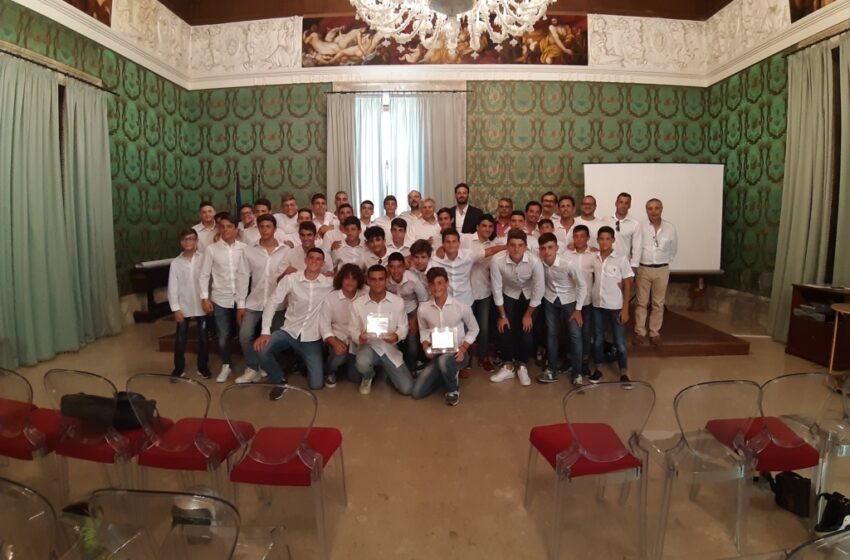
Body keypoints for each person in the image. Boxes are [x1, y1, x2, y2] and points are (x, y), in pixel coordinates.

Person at [255, 247, 334, 397]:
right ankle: (279, 379)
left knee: (316, 385)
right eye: (311, 258)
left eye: (318, 259)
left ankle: (300, 364)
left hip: (311, 337)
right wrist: (265, 331)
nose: (314, 261)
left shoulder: (328, 283)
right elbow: (272, 302)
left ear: (323, 263)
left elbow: (350, 285)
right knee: (261, 349)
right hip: (289, 331)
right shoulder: (291, 279)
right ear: (305, 260)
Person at [411, 267, 480, 406]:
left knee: (444, 361)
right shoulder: (423, 309)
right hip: (437, 353)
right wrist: (425, 346)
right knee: (417, 393)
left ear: (447, 284)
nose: (436, 288)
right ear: (428, 286)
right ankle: (445, 374)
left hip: (458, 353)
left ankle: (453, 389)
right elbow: (424, 331)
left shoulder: (461, 307)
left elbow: (474, 329)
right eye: (432, 284)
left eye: (440, 283)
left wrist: (463, 349)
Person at [234, 214, 289, 384]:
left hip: (277, 304)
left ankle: (268, 366)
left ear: (275, 229)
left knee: (275, 339)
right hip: (255, 301)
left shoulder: (286, 251)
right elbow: (243, 276)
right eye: (262, 226)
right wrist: (241, 305)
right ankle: (253, 367)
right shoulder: (249, 250)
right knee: (244, 335)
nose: (265, 230)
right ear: (258, 228)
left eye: (268, 226)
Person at [488, 229, 544, 387]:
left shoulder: (535, 261)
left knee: (526, 330)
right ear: (507, 246)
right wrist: (502, 316)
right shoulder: (497, 260)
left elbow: (538, 291)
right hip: (509, 293)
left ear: (525, 247)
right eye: (512, 245)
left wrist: (528, 315)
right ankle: (508, 366)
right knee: (505, 328)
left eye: (520, 245)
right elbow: (496, 289)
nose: (516, 249)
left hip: (530, 296)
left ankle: (522, 365)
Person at [350, 265, 414, 396]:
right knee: (362, 363)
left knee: (407, 389)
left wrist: (396, 336)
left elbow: (403, 327)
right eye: (373, 279)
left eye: (380, 279)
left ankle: (387, 371)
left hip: (389, 349)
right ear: (368, 281)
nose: (377, 283)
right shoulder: (357, 304)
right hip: (369, 347)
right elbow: (353, 329)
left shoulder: (397, 302)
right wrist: (360, 338)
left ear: (386, 280)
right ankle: (368, 376)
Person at [199, 214, 247, 383]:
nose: (225, 229)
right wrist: (205, 298)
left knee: (245, 334)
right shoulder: (211, 249)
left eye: (229, 226)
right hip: (220, 298)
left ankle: (252, 365)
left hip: (241, 299)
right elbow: (204, 275)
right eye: (222, 226)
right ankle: (226, 365)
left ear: (236, 230)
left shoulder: (245, 248)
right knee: (223, 335)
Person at [537, 233, 587, 386]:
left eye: (550, 247)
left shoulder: (568, 263)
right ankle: (552, 370)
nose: (547, 251)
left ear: (557, 248)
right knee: (552, 333)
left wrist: (578, 310)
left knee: (575, 335)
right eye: (543, 248)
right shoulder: (539, 263)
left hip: (570, 301)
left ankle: (577, 373)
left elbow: (582, 285)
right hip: (550, 299)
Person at [591, 226, 634, 384]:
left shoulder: (621, 259)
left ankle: (623, 373)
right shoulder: (594, 258)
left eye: (608, 239)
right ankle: (598, 369)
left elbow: (628, 283)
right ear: (597, 240)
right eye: (601, 239)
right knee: (598, 340)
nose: (604, 242)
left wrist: (625, 309)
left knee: (620, 342)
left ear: (613, 240)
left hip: (616, 307)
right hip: (598, 306)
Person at [461, 214, 504, 372]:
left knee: (483, 327)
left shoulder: (494, 244)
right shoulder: (465, 239)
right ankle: (465, 358)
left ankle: (483, 357)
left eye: (490, 226)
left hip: (484, 291)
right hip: (465, 291)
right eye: (484, 225)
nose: (487, 229)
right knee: (465, 327)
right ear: (477, 227)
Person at [167, 229, 211, 379]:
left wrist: (208, 299)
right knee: (181, 339)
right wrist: (176, 309)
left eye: (191, 239)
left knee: (203, 338)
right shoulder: (176, 263)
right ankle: (179, 368)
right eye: (185, 239)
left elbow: (209, 280)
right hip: (184, 306)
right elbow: (172, 288)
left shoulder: (204, 259)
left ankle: (203, 367)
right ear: (181, 242)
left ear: (197, 241)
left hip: (201, 305)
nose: (188, 242)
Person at [634, 198, 678, 346]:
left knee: (658, 303)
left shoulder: (670, 228)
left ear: (661, 209)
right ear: (646, 210)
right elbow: (635, 247)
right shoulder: (640, 226)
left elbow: (674, 249)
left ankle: (654, 333)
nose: (653, 211)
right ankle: (640, 332)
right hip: (644, 268)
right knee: (641, 302)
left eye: (656, 208)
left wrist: (663, 261)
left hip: (662, 270)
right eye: (650, 208)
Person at [430, 228, 506, 307]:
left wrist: (507, 246)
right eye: (448, 242)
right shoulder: (436, 259)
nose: (451, 245)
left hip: (466, 302)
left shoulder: (468, 255)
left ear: (459, 243)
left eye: (454, 241)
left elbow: (490, 251)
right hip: (447, 303)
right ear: (443, 244)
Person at [319, 263, 365, 387]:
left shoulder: (364, 295)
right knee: (339, 356)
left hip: (357, 341)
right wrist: (334, 342)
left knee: (355, 378)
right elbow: (324, 325)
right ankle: (330, 371)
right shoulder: (331, 298)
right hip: (338, 338)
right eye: (347, 278)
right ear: (341, 279)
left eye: (354, 279)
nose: (350, 282)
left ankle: (349, 364)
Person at [387, 252, 429, 371]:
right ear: (388, 267)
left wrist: (415, 319)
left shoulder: (412, 279)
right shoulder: (385, 281)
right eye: (392, 267)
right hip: (394, 313)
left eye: (399, 267)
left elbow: (424, 300)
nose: (396, 271)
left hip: (412, 312)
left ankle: (412, 368)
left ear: (404, 267)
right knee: (392, 340)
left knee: (412, 343)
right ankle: (395, 367)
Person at [571, 225, 595, 379]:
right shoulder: (567, 255)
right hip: (570, 300)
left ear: (588, 238)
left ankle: (584, 361)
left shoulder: (593, 256)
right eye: (576, 236)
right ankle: (571, 360)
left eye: (582, 236)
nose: (579, 239)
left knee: (586, 333)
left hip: (587, 301)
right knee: (571, 333)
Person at [603, 192, 642, 270]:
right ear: (616, 203)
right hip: (606, 263)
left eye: (626, 203)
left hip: (624, 265)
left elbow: (637, 248)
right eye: (621, 202)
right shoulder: (605, 220)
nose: (623, 206)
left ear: (629, 205)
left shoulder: (635, 224)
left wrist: (634, 266)